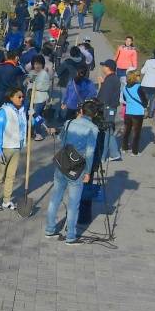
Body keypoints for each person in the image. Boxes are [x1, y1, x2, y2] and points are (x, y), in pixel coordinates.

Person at [45, 100, 100, 245]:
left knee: (55, 198)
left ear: (81, 111)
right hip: (78, 168)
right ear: (94, 114)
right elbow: (90, 152)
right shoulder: (93, 129)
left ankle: (50, 229)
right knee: (73, 203)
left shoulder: (69, 122)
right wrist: (88, 172)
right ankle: (70, 236)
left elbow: (61, 139)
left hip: (62, 164)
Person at [0, 87, 27, 211]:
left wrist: (34, 117)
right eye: (19, 97)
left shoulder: (21, 111)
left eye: (22, 97)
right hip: (5, 148)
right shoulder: (3, 111)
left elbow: (26, 126)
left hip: (16, 147)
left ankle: (7, 200)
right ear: (11, 98)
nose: (22, 99)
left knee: (11, 176)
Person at [96, 59, 122, 161]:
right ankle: (115, 153)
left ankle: (102, 157)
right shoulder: (112, 79)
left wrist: (98, 107)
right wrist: (102, 84)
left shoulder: (110, 80)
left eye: (104, 66)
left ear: (108, 68)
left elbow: (104, 97)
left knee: (105, 132)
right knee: (109, 131)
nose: (102, 68)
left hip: (107, 108)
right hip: (111, 108)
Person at [121, 71, 147, 156]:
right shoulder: (138, 87)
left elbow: (124, 98)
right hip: (138, 113)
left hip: (128, 112)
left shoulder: (125, 88)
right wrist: (145, 105)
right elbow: (144, 100)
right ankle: (134, 152)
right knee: (136, 133)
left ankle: (124, 148)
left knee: (127, 131)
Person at [27, 55, 52, 138]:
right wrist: (28, 82)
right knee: (32, 115)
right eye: (35, 64)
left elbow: (41, 86)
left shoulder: (44, 74)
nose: (37, 66)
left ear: (42, 64)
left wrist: (31, 83)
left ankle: (38, 133)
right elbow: (26, 82)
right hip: (31, 97)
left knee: (36, 114)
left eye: (39, 64)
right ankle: (33, 130)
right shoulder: (31, 72)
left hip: (41, 98)